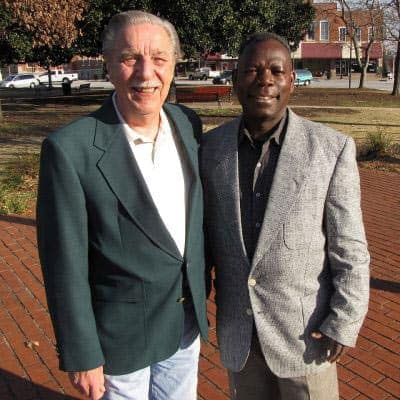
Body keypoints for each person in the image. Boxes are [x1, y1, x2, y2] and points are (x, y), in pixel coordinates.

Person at [36, 10, 207, 400]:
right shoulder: (70, 150)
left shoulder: (187, 124)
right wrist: (82, 353)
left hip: (183, 324)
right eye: (131, 58)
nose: (147, 74)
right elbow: (64, 264)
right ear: (109, 65)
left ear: (174, 65)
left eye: (160, 59)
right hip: (119, 340)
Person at [200, 32, 370, 400]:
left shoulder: (331, 149)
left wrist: (344, 320)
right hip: (241, 340)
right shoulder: (211, 150)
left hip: (306, 339)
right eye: (252, 70)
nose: (264, 80)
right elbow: (206, 241)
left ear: (292, 82)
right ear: (234, 81)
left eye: (276, 70)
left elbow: (350, 248)